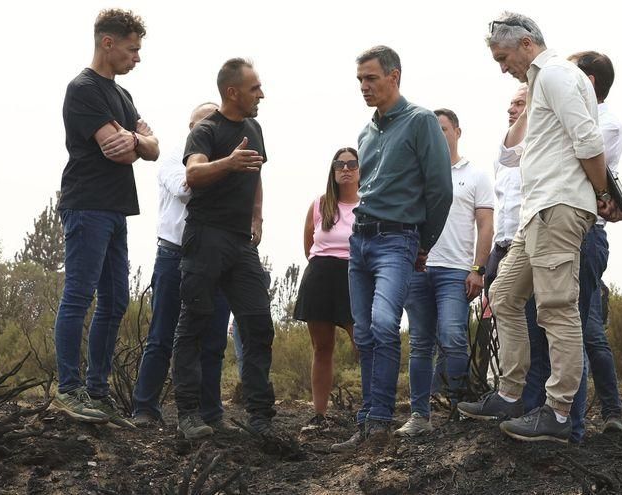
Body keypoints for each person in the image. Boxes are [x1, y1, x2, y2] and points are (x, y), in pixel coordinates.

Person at [458, 12, 617, 444]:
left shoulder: (557, 74)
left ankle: (559, 412)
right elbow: (517, 152)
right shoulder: (544, 81)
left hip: (559, 206)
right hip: (537, 211)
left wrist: (604, 193)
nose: (501, 66)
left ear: (527, 44)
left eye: (503, 56)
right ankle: (510, 393)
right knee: (505, 295)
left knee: (556, 309)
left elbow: (588, 139)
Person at [331, 46, 452, 452]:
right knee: (363, 332)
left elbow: (440, 190)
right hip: (360, 240)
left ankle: (381, 422)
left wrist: (424, 242)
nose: (364, 87)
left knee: (384, 324)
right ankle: (367, 422)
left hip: (398, 240)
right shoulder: (366, 132)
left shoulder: (420, 122)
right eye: (360, 80)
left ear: (394, 77)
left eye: (371, 78)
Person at [53, 9, 159, 427]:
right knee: (79, 296)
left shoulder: (123, 96)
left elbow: (149, 147)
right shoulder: (83, 89)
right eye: (132, 49)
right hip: (87, 204)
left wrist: (137, 139)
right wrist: (137, 140)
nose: (137, 58)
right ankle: (69, 390)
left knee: (116, 300)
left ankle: (98, 392)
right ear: (108, 43)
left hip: (116, 208)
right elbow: (115, 147)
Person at [171, 58, 276, 441]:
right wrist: (228, 163)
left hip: (240, 242)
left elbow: (257, 171)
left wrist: (258, 216)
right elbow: (193, 174)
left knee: (259, 324)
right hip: (206, 237)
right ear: (233, 92)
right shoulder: (205, 131)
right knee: (195, 323)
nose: (261, 94)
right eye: (254, 88)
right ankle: (188, 414)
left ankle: (261, 417)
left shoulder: (255, 127)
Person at [130, 103, 234, 433]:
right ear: (191, 127)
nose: (209, 130)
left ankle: (211, 413)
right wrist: (222, 172)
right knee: (162, 334)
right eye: (203, 124)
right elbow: (188, 189)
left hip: (216, 258)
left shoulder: (226, 160)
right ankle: (145, 408)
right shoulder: (175, 158)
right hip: (174, 256)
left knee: (214, 338)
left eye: (215, 123)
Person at [396, 109, 494, 437]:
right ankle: (419, 416)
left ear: (457, 131)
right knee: (421, 342)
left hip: (456, 270)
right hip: (419, 269)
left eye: (443, 129)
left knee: (453, 335)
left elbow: (485, 225)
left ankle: (459, 408)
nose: (439, 136)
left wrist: (479, 269)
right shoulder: (416, 175)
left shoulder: (476, 175)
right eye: (433, 131)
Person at [567, 50, 622, 434]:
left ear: (588, 82)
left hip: (586, 233)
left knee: (586, 329)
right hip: (563, 229)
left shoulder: (606, 124)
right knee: (572, 327)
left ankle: (609, 414)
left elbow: (578, 159)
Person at [292, 147, 360, 431]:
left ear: (360, 170)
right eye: (339, 164)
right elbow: (309, 245)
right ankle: (319, 414)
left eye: (351, 164)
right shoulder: (320, 204)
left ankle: (374, 412)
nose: (345, 169)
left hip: (354, 278)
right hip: (320, 277)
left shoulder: (369, 205)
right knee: (322, 348)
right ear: (332, 171)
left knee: (365, 345)